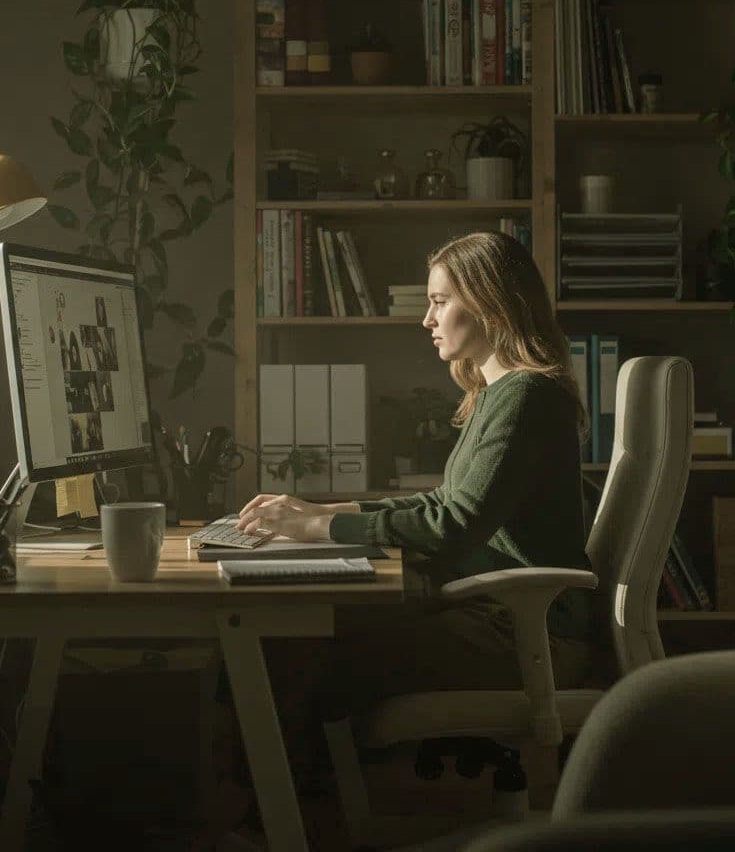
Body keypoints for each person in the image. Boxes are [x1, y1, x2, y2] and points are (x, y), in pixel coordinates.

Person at [200, 231, 593, 849]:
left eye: (440, 302)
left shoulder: (526, 397)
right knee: (292, 638)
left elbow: (449, 526)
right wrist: (320, 510)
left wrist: (318, 526)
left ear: (490, 302)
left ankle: (271, 827)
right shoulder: (500, 394)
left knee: (293, 646)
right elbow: (443, 504)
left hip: (520, 632)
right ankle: (284, 821)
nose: (427, 319)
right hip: (497, 616)